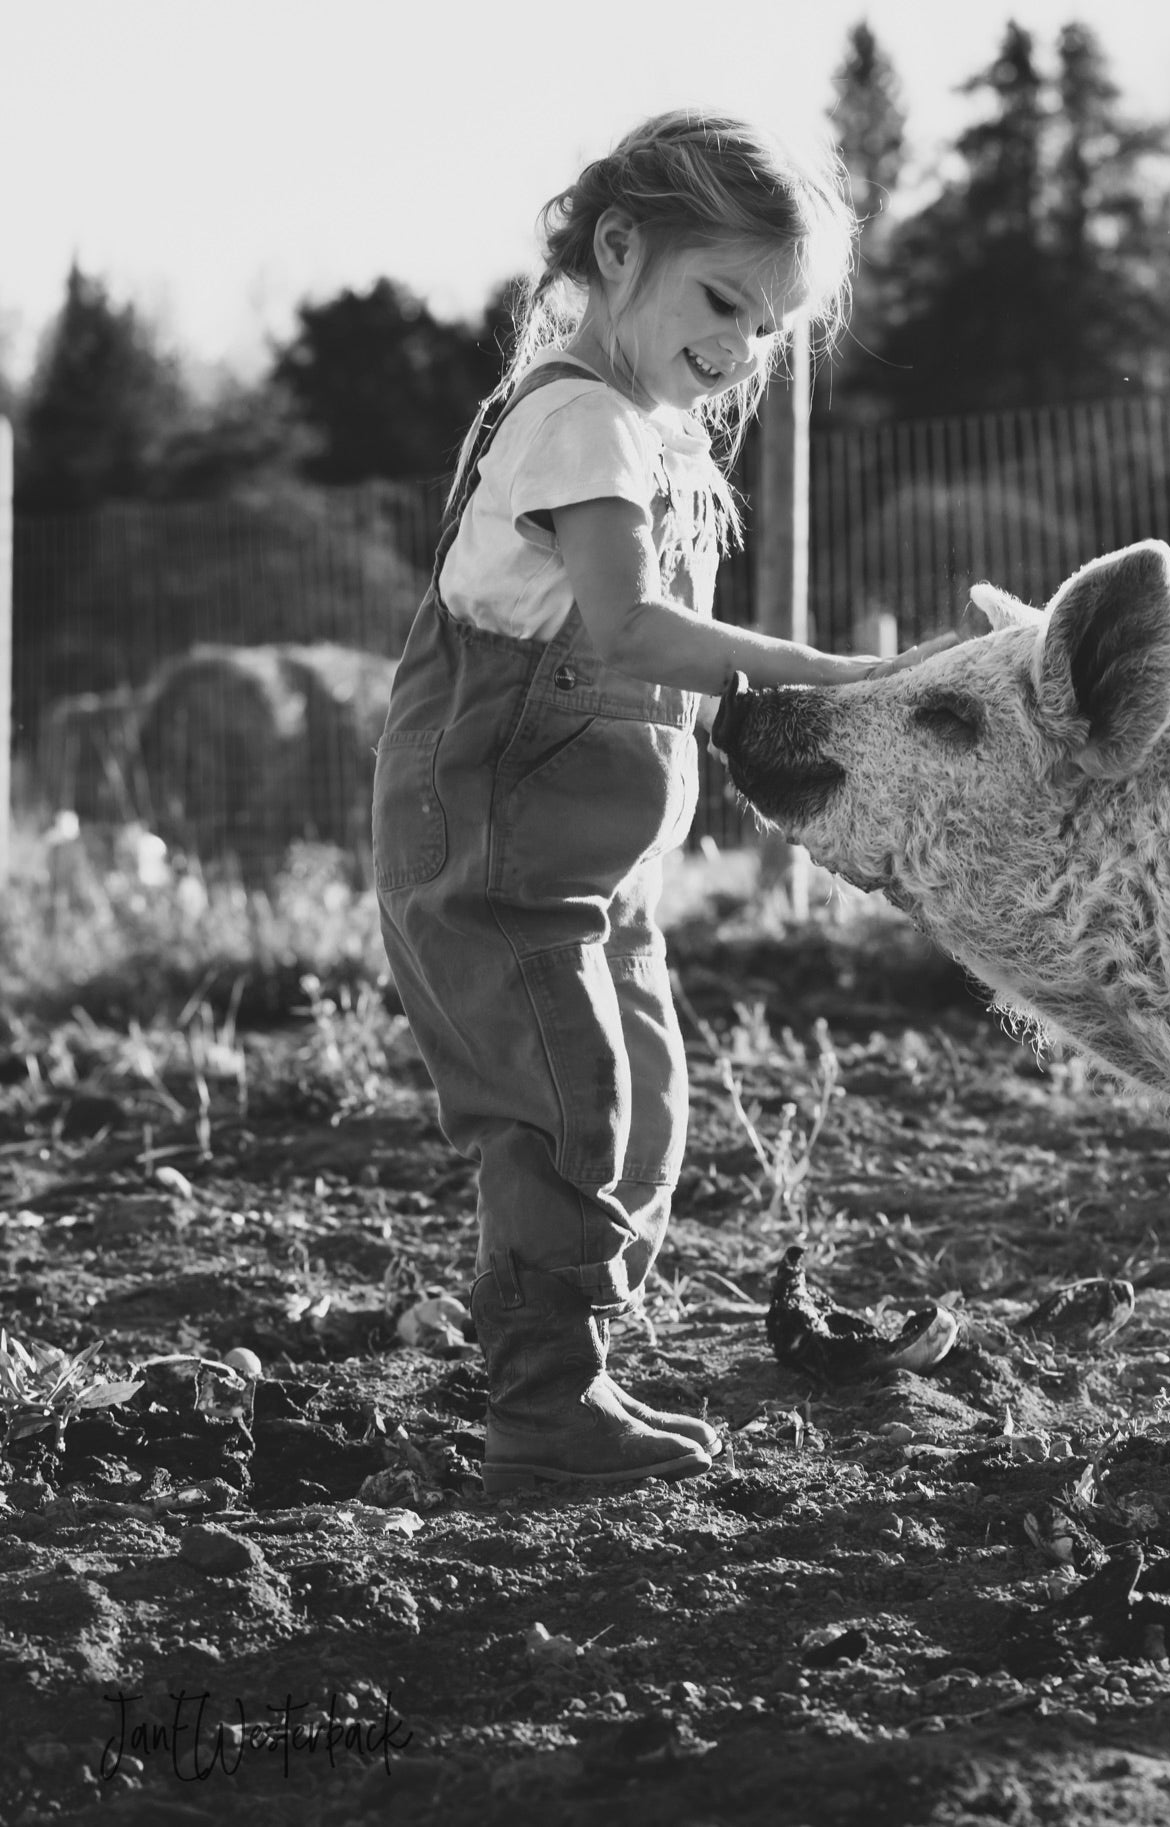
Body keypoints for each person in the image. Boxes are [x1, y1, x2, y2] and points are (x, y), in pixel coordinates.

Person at [373, 110, 936, 1494]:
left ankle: (574, 1358)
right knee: (569, 1109)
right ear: (620, 250)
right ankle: (543, 1407)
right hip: (497, 844)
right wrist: (819, 673)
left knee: (642, 1109)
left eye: (772, 326)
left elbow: (647, 671)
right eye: (722, 299)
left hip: (600, 869)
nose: (743, 347)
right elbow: (625, 633)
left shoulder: (637, 430)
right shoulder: (576, 422)